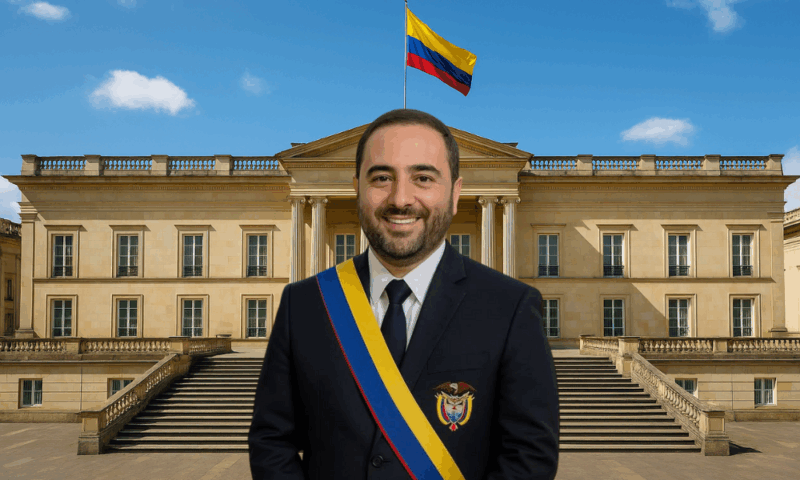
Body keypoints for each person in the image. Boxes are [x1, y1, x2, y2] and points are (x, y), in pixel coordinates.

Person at [249, 109, 559, 480]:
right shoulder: (303, 304)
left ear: (456, 193)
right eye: (382, 177)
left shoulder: (510, 307)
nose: (400, 199)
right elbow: (272, 441)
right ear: (357, 189)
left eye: (423, 177)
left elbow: (529, 457)